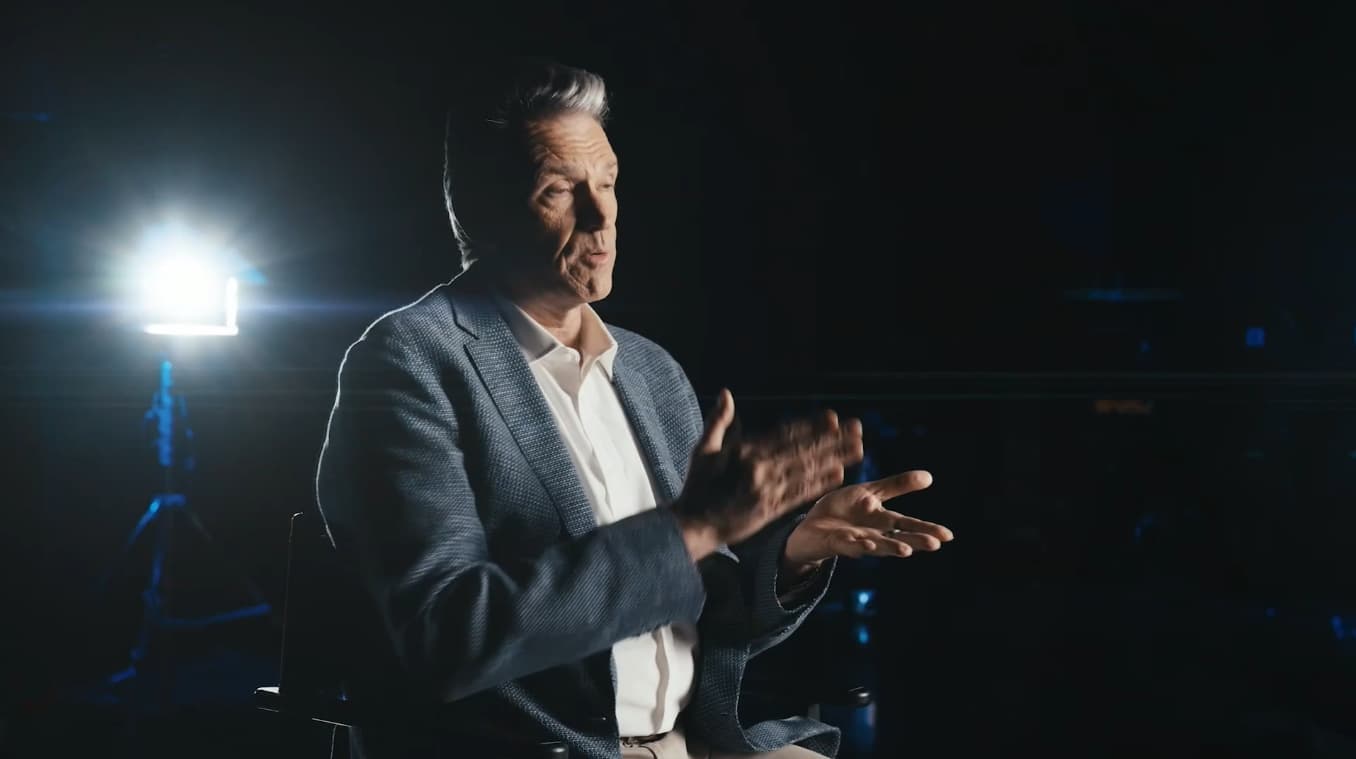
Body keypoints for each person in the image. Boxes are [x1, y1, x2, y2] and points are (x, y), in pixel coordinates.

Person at [316, 59, 953, 759]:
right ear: (480, 209)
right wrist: (697, 526)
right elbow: (449, 635)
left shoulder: (649, 371)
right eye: (560, 190)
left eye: (608, 182)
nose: (602, 215)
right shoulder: (407, 363)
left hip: (691, 744)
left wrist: (795, 553)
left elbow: (702, 608)